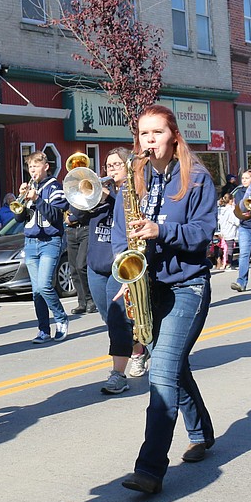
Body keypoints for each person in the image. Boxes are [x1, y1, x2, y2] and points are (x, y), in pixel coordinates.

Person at [119, 105, 217, 496]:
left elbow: (203, 232)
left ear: (174, 135)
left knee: (161, 371)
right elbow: (121, 228)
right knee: (175, 368)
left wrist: (160, 230)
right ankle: (202, 431)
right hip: (150, 286)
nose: (150, 140)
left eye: (157, 132)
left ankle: (150, 468)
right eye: (144, 134)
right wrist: (125, 269)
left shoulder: (196, 178)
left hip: (187, 285)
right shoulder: (135, 177)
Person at [88, 147, 147, 395]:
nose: (111, 170)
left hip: (119, 266)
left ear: (129, 166)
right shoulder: (101, 194)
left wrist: (109, 199)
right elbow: (73, 217)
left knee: (116, 318)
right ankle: (137, 349)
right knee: (109, 318)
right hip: (97, 265)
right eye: (108, 166)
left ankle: (117, 375)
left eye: (116, 165)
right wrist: (95, 198)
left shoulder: (133, 193)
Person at [19, 150, 70, 342]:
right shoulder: (30, 188)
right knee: (36, 291)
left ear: (46, 167)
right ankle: (43, 329)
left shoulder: (54, 187)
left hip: (50, 241)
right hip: (31, 243)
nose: (32, 170)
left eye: (36, 166)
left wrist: (37, 200)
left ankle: (61, 318)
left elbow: (56, 216)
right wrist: (21, 198)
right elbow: (18, 217)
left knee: (45, 286)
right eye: (30, 167)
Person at [65, 198, 94, 315]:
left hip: (85, 229)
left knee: (81, 265)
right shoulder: (66, 194)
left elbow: (84, 211)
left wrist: (71, 218)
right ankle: (82, 302)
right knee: (73, 270)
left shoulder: (85, 194)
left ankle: (90, 299)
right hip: (71, 231)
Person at [230, 169, 251, 292]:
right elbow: (237, 208)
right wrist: (241, 213)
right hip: (245, 226)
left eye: (247, 178)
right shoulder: (239, 192)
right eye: (243, 178)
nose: (244, 180)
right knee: (244, 254)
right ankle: (241, 282)